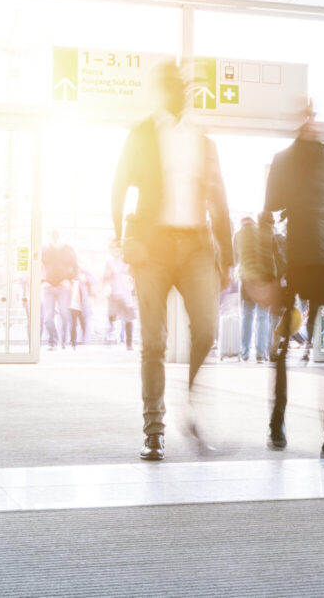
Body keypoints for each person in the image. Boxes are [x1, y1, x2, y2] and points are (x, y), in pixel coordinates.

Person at [112, 61, 233, 461]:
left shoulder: (202, 140)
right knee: (153, 342)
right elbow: (118, 188)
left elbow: (219, 200)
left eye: (183, 86)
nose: (180, 92)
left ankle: (191, 399)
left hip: (197, 246)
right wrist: (122, 239)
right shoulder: (142, 134)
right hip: (153, 248)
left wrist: (228, 257)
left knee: (207, 329)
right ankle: (154, 429)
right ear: (163, 92)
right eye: (171, 86)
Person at [264, 105, 324, 453]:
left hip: (300, 257)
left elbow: (271, 203)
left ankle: (278, 423)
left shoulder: (286, 159)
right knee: (320, 350)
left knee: (288, 344)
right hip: (320, 259)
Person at [234, 214, 277, 362]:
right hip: (262, 278)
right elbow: (268, 256)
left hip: (246, 279)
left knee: (247, 316)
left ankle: (244, 352)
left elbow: (236, 258)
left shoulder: (238, 235)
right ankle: (260, 353)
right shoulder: (260, 232)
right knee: (263, 317)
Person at [41, 229, 77, 350]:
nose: (55, 238)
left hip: (63, 287)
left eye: (57, 236)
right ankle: (53, 341)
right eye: (53, 236)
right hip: (48, 287)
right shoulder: (45, 250)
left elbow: (76, 267)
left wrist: (69, 280)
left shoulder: (68, 250)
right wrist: (42, 281)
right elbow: (38, 266)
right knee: (48, 318)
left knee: (65, 314)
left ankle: (63, 340)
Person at [103, 240, 135, 351]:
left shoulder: (126, 261)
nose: (114, 251)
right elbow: (105, 277)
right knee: (111, 316)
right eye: (112, 249)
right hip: (113, 293)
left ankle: (129, 343)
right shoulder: (109, 262)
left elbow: (132, 273)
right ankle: (109, 337)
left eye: (116, 248)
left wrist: (128, 275)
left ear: (120, 249)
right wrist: (108, 278)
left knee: (128, 318)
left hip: (125, 292)